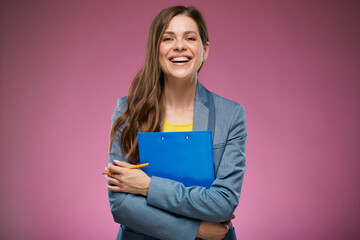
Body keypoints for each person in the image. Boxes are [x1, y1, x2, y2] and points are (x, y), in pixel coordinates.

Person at [105, 5, 247, 240]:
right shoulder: (127, 110)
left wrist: (147, 187)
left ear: (205, 50)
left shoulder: (230, 115)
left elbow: (223, 204)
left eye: (190, 38)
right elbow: (120, 205)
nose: (179, 46)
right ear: (155, 49)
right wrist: (196, 230)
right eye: (168, 38)